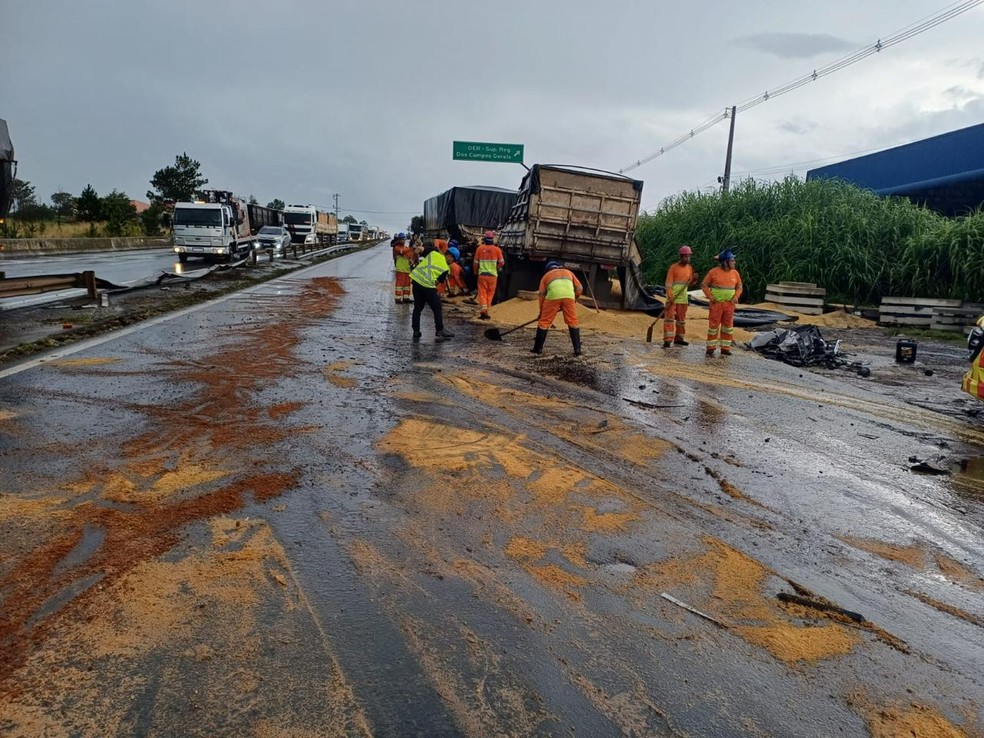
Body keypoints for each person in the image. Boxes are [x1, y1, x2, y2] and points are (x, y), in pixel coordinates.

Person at [533, 261, 583, 356]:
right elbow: (580, 288)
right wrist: (575, 298)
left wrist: (542, 312)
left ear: (548, 269)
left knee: (544, 322)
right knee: (572, 321)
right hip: (569, 297)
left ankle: (537, 349)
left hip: (552, 297)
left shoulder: (546, 276)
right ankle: (577, 350)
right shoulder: (568, 272)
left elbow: (542, 295)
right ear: (558, 267)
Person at [409, 241, 454, 342]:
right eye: (453, 259)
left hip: (416, 280)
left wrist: (414, 260)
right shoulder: (446, 268)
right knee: (437, 307)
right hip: (427, 285)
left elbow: (418, 249)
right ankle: (440, 330)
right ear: (450, 256)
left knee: (418, 307)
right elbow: (437, 282)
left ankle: (416, 331)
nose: (452, 262)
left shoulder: (433, 253)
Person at [701, 249, 743, 356]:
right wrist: (710, 296)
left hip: (729, 305)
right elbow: (704, 285)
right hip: (716, 304)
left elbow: (739, 286)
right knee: (713, 326)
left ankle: (725, 348)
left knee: (728, 327)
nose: (734, 262)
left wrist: (736, 296)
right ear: (725, 262)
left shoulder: (735, 273)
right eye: (732, 260)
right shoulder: (713, 272)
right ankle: (711, 347)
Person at [662, 245, 699, 348]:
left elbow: (689, 284)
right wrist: (670, 296)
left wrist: (694, 280)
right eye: (686, 256)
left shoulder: (689, 268)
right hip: (672, 298)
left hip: (683, 299)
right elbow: (668, 284)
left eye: (689, 256)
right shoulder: (673, 268)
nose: (688, 259)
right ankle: (668, 340)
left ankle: (679, 339)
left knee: (681, 321)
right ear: (681, 256)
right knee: (669, 319)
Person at [473, 230, 504, 320]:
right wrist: (495, 267)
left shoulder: (479, 249)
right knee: (490, 293)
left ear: (484, 239)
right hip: (493, 276)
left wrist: (475, 272)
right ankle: (487, 311)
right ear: (493, 239)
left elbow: (475, 263)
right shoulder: (497, 250)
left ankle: (483, 310)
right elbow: (502, 263)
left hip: (482, 275)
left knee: (482, 292)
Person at [392, 232, 413, 304]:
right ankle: (397, 299)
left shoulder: (406, 248)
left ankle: (406, 298)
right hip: (400, 269)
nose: (403, 241)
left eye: (403, 239)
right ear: (399, 240)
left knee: (407, 285)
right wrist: (410, 248)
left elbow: (410, 255)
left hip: (407, 269)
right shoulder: (396, 247)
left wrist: (411, 259)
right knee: (399, 285)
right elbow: (402, 252)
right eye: (401, 239)